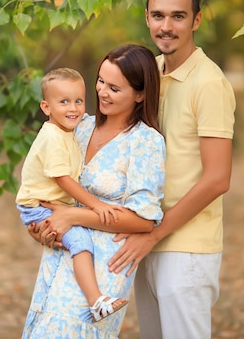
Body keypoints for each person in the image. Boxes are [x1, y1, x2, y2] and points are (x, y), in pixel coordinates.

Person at [34, 0, 236, 338]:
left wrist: (153, 234)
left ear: (197, 19)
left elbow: (218, 178)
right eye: (158, 15)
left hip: (184, 245)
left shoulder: (209, 83)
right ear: (147, 17)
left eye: (178, 16)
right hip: (135, 241)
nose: (167, 26)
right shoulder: (147, 73)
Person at [21, 44, 165, 339]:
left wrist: (73, 215)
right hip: (61, 256)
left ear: (140, 94)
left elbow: (144, 220)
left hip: (104, 267)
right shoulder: (78, 127)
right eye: (100, 81)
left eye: (115, 87)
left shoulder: (145, 142)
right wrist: (41, 228)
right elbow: (48, 187)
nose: (102, 92)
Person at [15, 67, 128, 322]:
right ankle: (96, 301)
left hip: (46, 204)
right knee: (80, 242)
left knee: (76, 240)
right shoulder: (53, 137)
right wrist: (95, 206)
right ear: (46, 107)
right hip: (38, 207)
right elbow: (63, 179)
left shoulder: (67, 130)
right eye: (63, 102)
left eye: (78, 101)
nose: (73, 108)